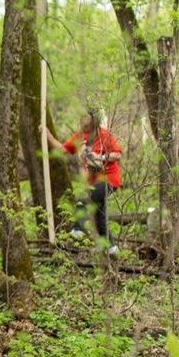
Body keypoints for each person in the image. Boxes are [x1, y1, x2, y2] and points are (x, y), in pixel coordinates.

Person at [44, 108, 123, 254]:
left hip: (109, 179)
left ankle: (77, 229)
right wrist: (48, 135)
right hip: (94, 182)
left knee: (84, 198)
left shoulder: (104, 134)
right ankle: (112, 249)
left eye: (87, 121)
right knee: (100, 216)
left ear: (94, 121)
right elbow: (62, 149)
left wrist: (100, 158)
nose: (84, 124)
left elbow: (117, 155)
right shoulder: (80, 136)